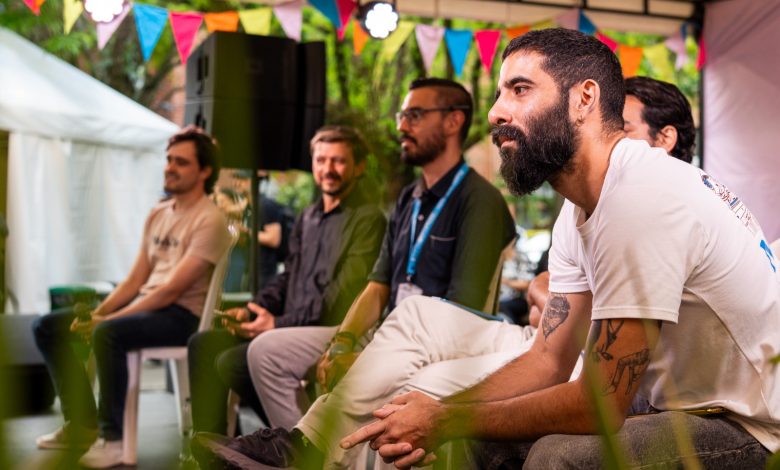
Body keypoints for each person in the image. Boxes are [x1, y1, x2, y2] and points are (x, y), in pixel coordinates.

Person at [336, 28, 779, 469]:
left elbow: (599, 406)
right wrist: (436, 410)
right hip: (676, 407)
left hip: (750, 426)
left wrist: (446, 418)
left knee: (557, 457)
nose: (495, 113)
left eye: (520, 90)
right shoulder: (578, 207)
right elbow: (547, 360)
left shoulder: (641, 196)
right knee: (476, 442)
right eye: (499, 93)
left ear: (583, 98)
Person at [190, 77, 517, 468]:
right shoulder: (408, 198)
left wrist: (368, 352)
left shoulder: (480, 201)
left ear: (453, 122)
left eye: (415, 115)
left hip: (433, 344)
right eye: (402, 115)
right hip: (384, 329)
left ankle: (305, 452)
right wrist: (344, 342)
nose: (401, 126)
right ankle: (301, 451)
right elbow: (377, 286)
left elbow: (461, 314)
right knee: (262, 353)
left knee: (324, 373)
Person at [32, 126, 232, 468]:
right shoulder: (159, 212)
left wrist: (107, 321)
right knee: (47, 326)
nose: (170, 167)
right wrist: (99, 312)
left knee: (108, 333)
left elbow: (171, 289)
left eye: (181, 162)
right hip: (146, 308)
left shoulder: (210, 220)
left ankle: (113, 442)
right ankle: (81, 424)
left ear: (205, 171)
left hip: (182, 316)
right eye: (169, 160)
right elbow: (137, 278)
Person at [187, 125, 386, 436]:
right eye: (321, 161)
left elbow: (341, 297)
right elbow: (288, 276)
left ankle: (297, 440)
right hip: (287, 325)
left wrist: (276, 324)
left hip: (331, 330)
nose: (327, 169)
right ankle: (211, 449)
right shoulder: (307, 216)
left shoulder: (369, 219)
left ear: (358, 166)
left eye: (338, 161)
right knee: (204, 344)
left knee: (234, 362)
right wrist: (255, 310)